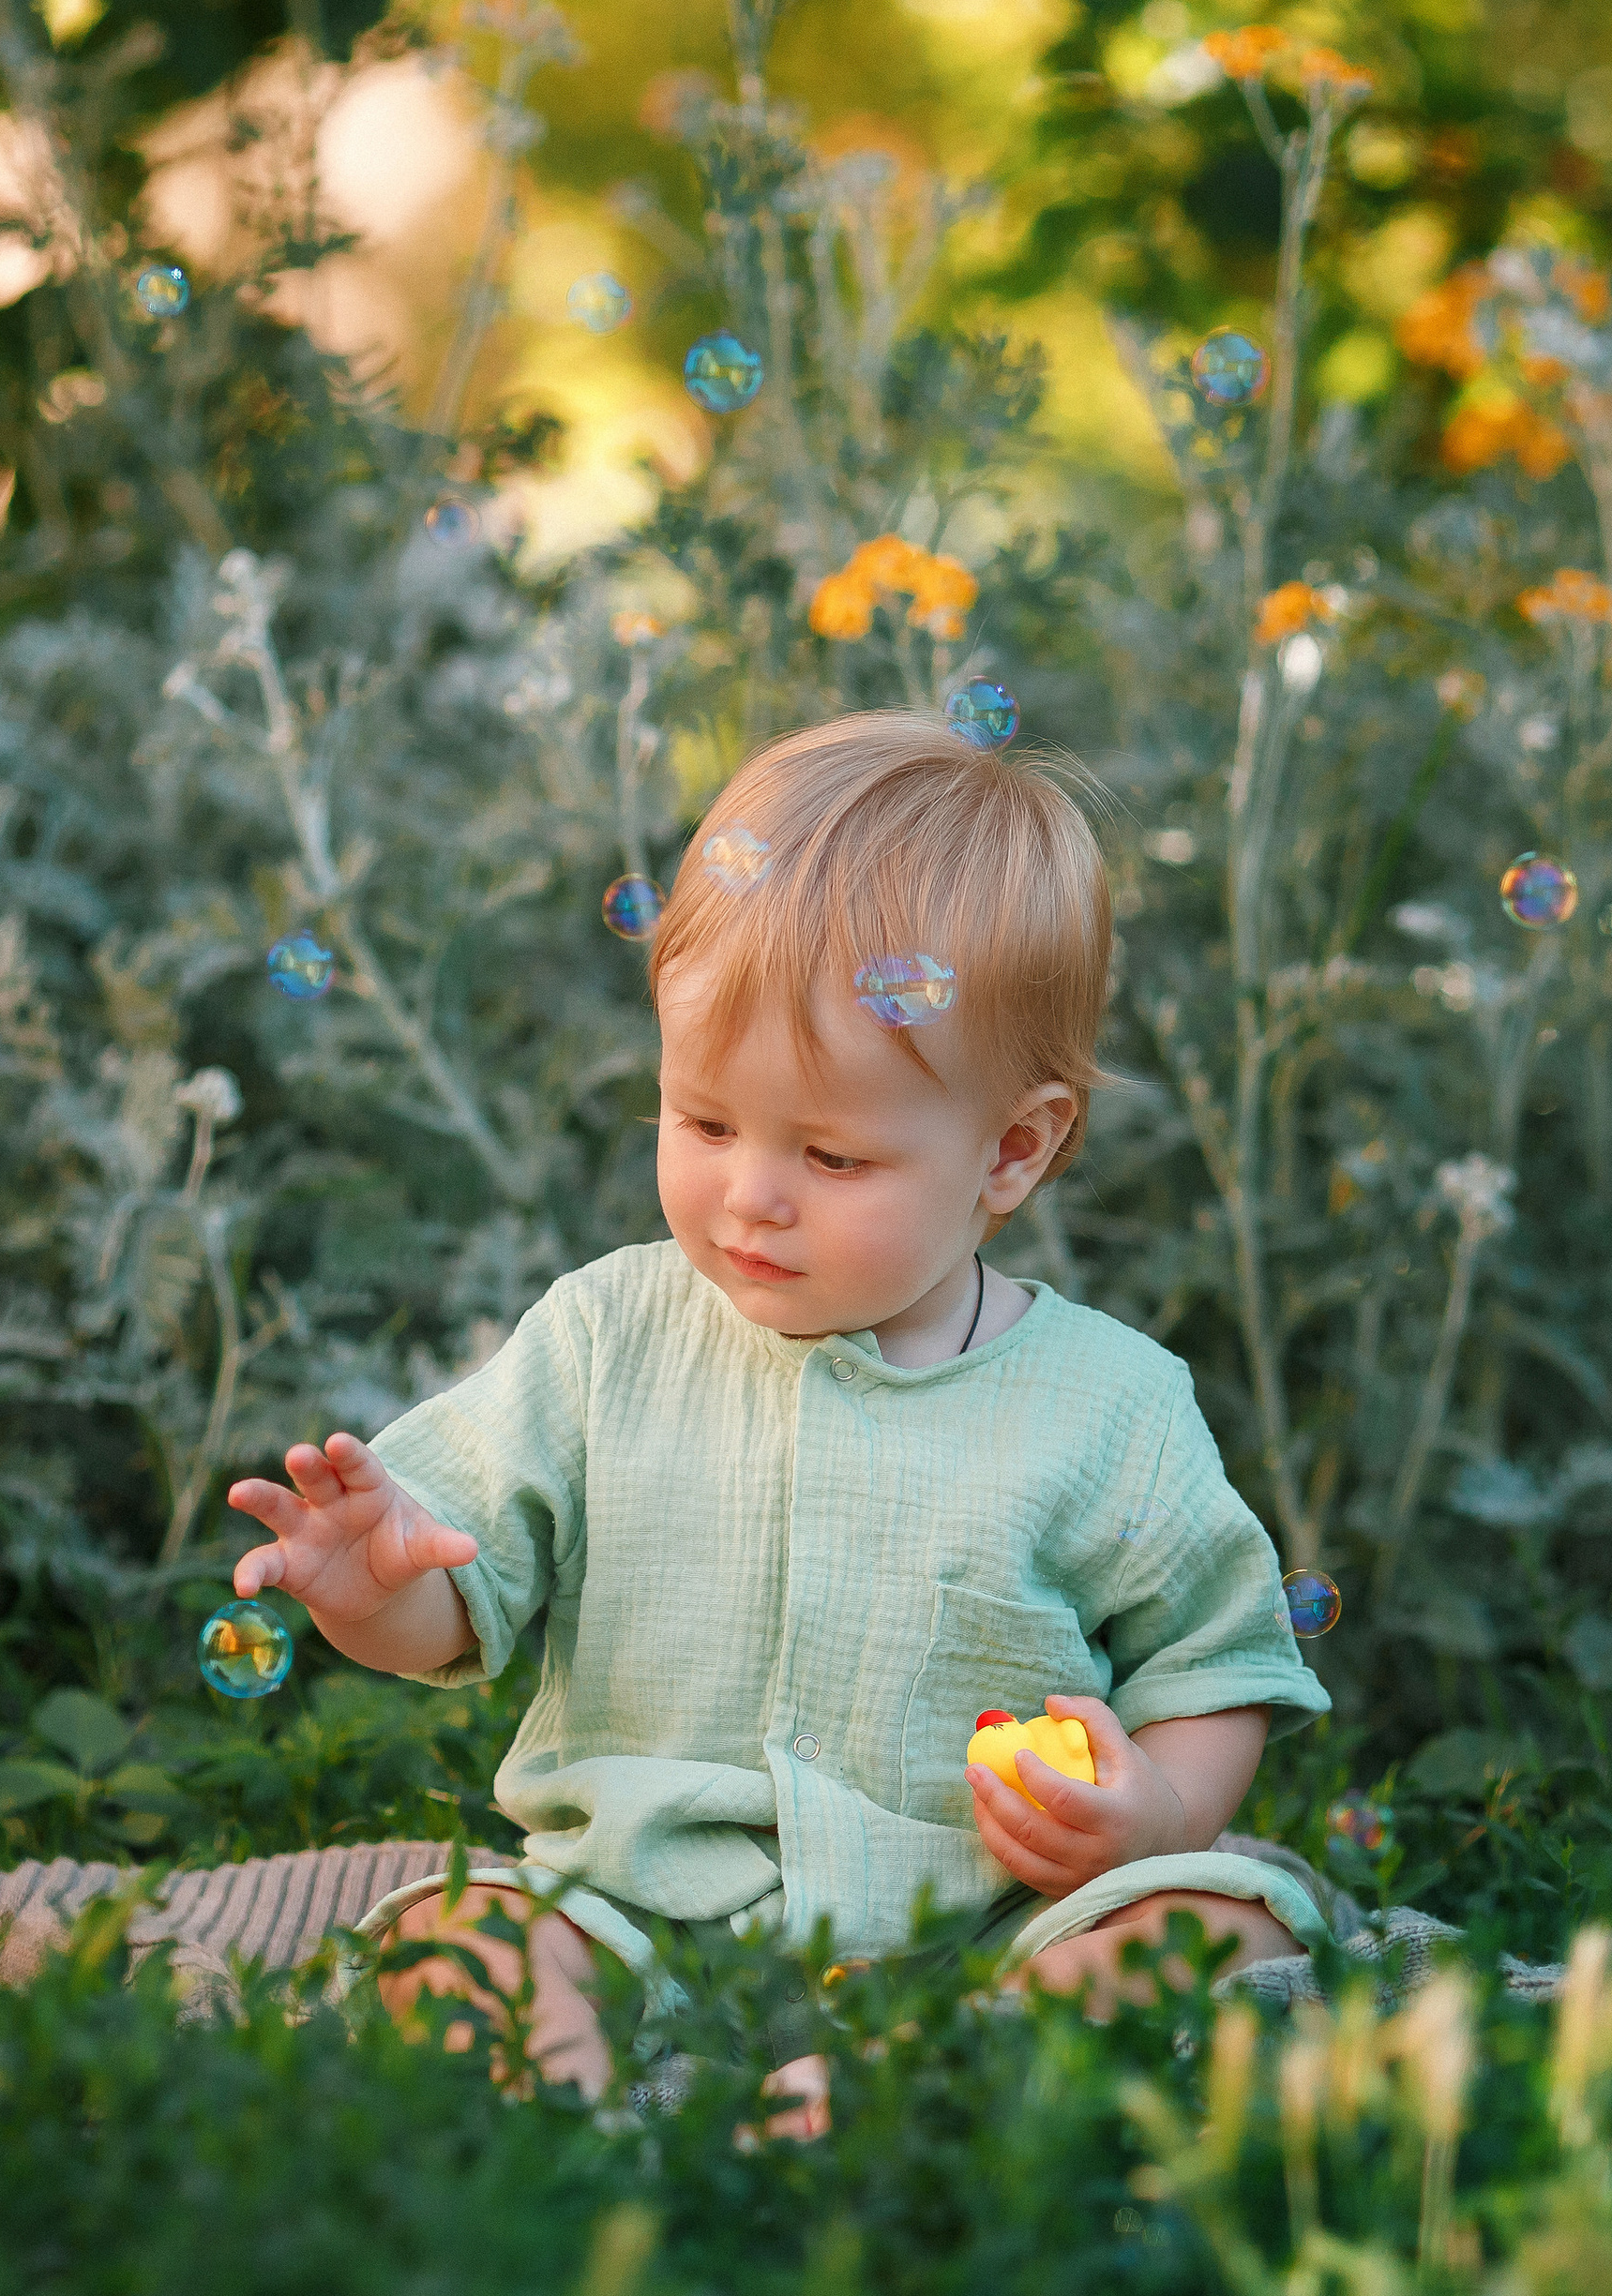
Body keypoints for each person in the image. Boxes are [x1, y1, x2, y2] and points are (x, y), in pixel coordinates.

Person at [225, 710, 1330, 2133]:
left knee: (1222, 1923)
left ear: (1013, 1147)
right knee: (456, 1933)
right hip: (633, 1904)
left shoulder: (1110, 1408)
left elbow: (1210, 1673)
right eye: (703, 1122)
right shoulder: (605, 1336)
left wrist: (1160, 1819)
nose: (751, 1194)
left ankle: (923, 2073)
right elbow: (458, 1599)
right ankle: (574, 2137)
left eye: (831, 1152)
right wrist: (368, 1592)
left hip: (990, 1930)